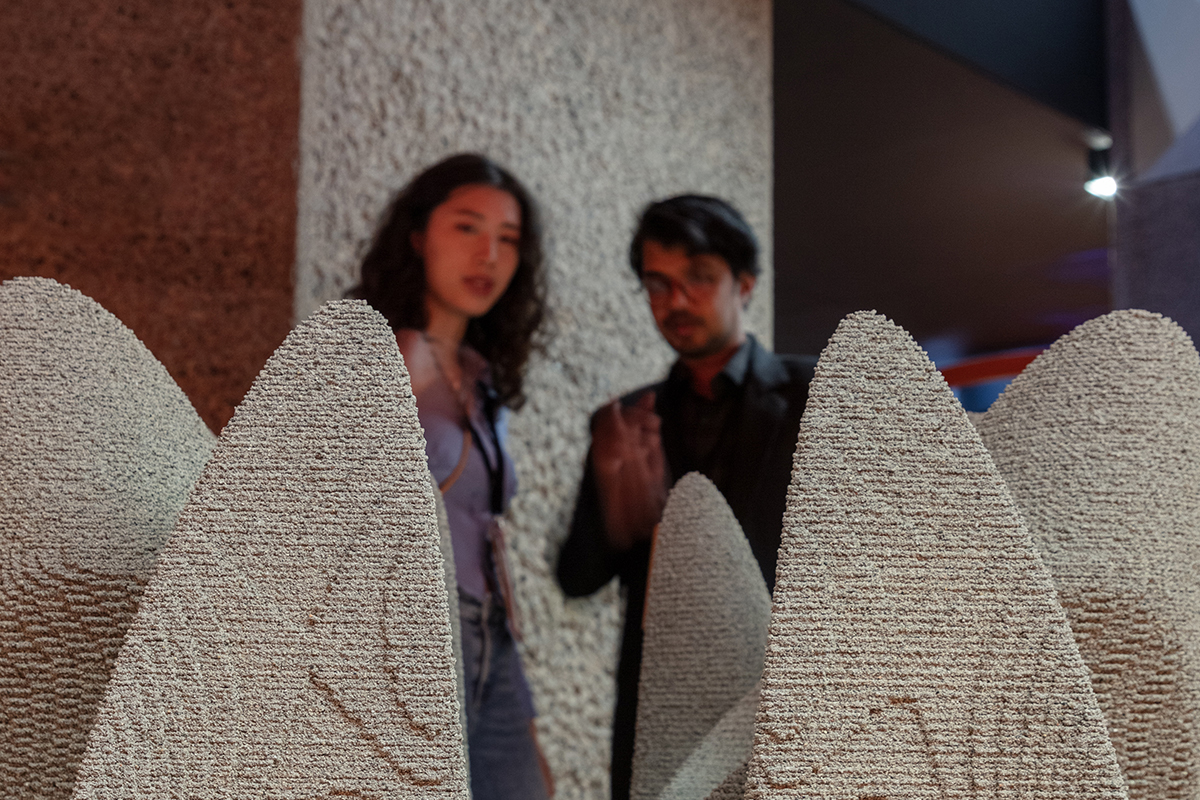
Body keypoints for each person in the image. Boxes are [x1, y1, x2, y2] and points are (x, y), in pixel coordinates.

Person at [556, 195, 815, 800]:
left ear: (744, 283)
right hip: (662, 713)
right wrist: (619, 524)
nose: (675, 301)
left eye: (698, 277)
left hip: (782, 698)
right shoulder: (624, 420)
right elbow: (577, 577)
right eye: (657, 283)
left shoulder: (815, 395)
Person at [350, 153, 552, 800]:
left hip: (490, 629)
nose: (488, 254)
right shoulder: (371, 352)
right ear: (418, 236)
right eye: (467, 227)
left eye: (508, 239)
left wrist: (522, 705)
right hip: (406, 629)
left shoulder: (482, 377)